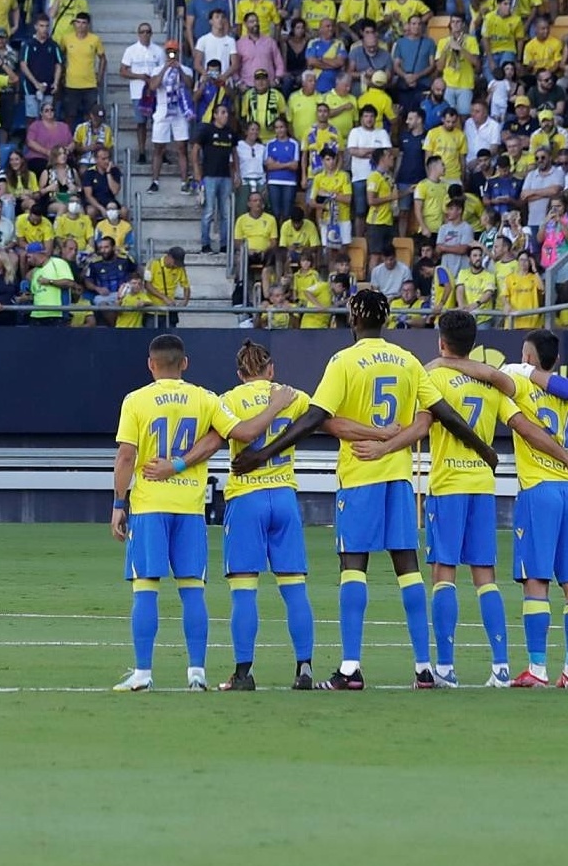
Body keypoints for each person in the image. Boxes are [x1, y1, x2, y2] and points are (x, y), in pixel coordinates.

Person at [232, 287, 496, 690]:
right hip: (398, 478)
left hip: (360, 475)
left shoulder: (344, 361)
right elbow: (446, 414)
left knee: (353, 567)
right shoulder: (408, 361)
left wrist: (261, 454)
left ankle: (351, 668)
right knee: (407, 567)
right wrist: (484, 449)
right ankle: (424, 668)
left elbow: (314, 418)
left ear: (353, 320)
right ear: (386, 319)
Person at [363, 309, 568, 688]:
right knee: (485, 579)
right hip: (482, 486)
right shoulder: (493, 384)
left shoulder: (434, 376)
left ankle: (445, 669)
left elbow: (422, 425)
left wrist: (385, 446)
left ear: (442, 342)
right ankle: (502, 668)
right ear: (474, 344)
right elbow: (522, 425)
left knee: (444, 575)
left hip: (449, 484)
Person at [143, 338, 317, 689]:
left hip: (246, 500)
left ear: (240, 374)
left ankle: (243, 673)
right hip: (284, 495)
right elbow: (326, 421)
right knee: (294, 586)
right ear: (271, 369)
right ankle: (304, 668)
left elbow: (211, 442)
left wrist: (176, 465)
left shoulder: (228, 400)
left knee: (244, 590)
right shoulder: (293, 396)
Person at [109, 331, 219, 692]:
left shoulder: (136, 400)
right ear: (184, 363)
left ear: (150, 365)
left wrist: (118, 502)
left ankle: (143, 673)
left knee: (145, 587)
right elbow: (221, 436)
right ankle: (197, 673)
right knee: (192, 589)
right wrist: (182, 465)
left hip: (150, 505)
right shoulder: (204, 398)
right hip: (189, 505)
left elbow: (127, 455)